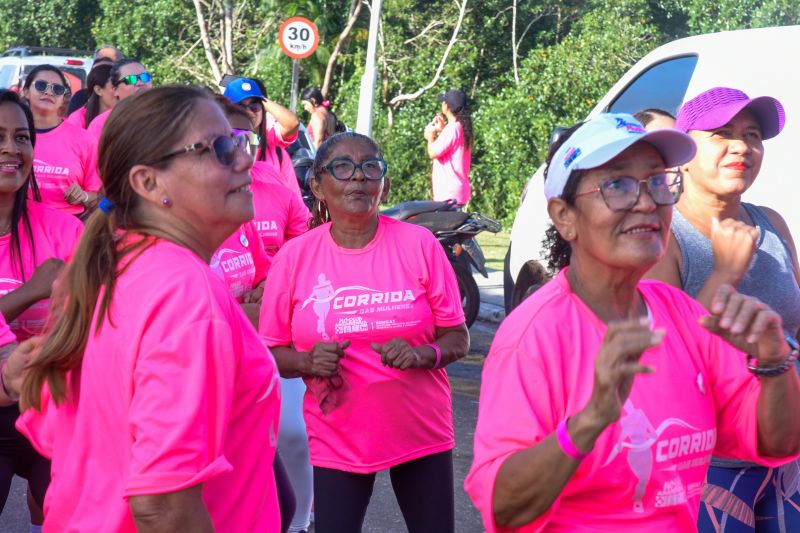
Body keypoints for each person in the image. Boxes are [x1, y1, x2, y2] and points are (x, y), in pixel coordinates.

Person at [464, 113, 800, 532]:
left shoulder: (681, 314)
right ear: (565, 216)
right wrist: (589, 422)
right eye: (618, 185)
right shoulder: (534, 337)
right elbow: (504, 509)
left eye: (658, 182)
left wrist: (774, 361)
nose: (647, 202)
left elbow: (775, 441)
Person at [16, 85, 282, 532]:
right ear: (148, 183)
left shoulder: (107, 266)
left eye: (240, 143)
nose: (244, 160)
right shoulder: (184, 292)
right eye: (218, 148)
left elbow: (58, 432)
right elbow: (163, 507)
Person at [260, 132, 470, 533]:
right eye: (343, 167)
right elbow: (271, 353)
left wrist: (423, 354)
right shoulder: (294, 258)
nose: (358, 178)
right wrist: (307, 361)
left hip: (419, 430)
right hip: (338, 433)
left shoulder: (419, 245)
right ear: (318, 185)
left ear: (384, 184)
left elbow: (458, 338)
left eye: (370, 167)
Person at [643, 87, 800, 532]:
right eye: (722, 133)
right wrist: (725, 271)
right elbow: (662, 353)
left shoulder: (771, 222)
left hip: (786, 458)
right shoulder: (660, 233)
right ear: (686, 151)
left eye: (752, 135)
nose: (742, 147)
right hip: (705, 464)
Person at [214, 95, 312, 533]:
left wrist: (260, 293)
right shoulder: (167, 242)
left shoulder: (240, 216)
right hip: (211, 403)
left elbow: (264, 273)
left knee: (281, 506)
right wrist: (241, 315)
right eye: (225, 142)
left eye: (246, 139)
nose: (242, 153)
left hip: (246, 389)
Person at [0, 89, 83, 533]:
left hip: (57, 405)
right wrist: (33, 291)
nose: (11, 149)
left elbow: (92, 321)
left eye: (21, 137)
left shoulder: (64, 230)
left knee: (64, 512)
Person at [21, 66, 100, 216]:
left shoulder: (84, 140)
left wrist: (82, 196)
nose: (49, 92)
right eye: (41, 85)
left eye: (57, 89)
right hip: (17, 225)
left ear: (64, 98)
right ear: (25, 91)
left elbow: (97, 195)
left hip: (66, 229)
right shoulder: (10, 135)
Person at [223, 77, 302, 197]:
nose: (248, 112)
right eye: (239, 107)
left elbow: (293, 123)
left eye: (254, 107)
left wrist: (260, 97)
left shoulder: (274, 143)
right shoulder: (219, 147)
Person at [424, 89, 473, 206]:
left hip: (449, 194)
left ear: (446, 106)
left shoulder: (452, 129)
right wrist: (442, 130)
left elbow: (432, 153)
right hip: (459, 191)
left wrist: (430, 137)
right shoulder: (462, 127)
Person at [86, 58, 153, 140]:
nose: (141, 83)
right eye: (130, 79)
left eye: (145, 77)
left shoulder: (166, 114)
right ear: (115, 90)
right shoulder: (102, 124)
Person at [64, 63, 114, 129]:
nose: (118, 91)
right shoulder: (77, 119)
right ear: (98, 90)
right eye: (114, 87)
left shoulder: (123, 115)